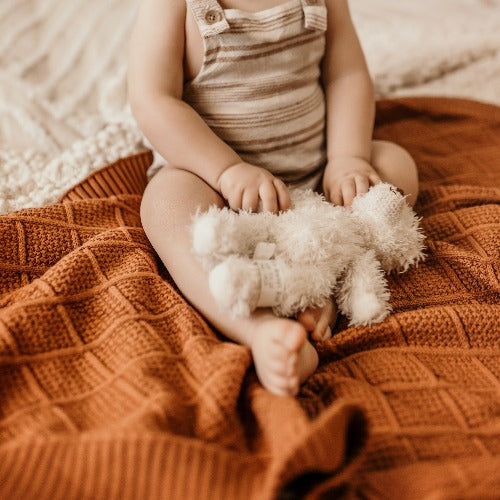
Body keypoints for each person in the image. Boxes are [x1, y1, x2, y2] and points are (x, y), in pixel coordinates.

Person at [128, 0, 419, 396]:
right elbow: (153, 99)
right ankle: (261, 328)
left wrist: (347, 158)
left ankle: (325, 284)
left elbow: (346, 75)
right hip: (215, 185)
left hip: (319, 185)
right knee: (164, 203)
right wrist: (227, 170)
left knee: (395, 166)